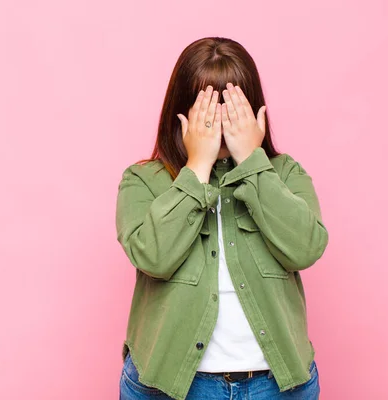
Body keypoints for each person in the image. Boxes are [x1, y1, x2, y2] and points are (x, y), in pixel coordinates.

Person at [115, 37, 329, 400]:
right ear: (181, 112)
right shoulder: (143, 180)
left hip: (275, 387)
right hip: (169, 386)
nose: (220, 122)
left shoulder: (285, 173)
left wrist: (252, 165)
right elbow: (154, 257)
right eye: (208, 111)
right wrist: (197, 166)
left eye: (232, 108)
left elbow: (305, 249)